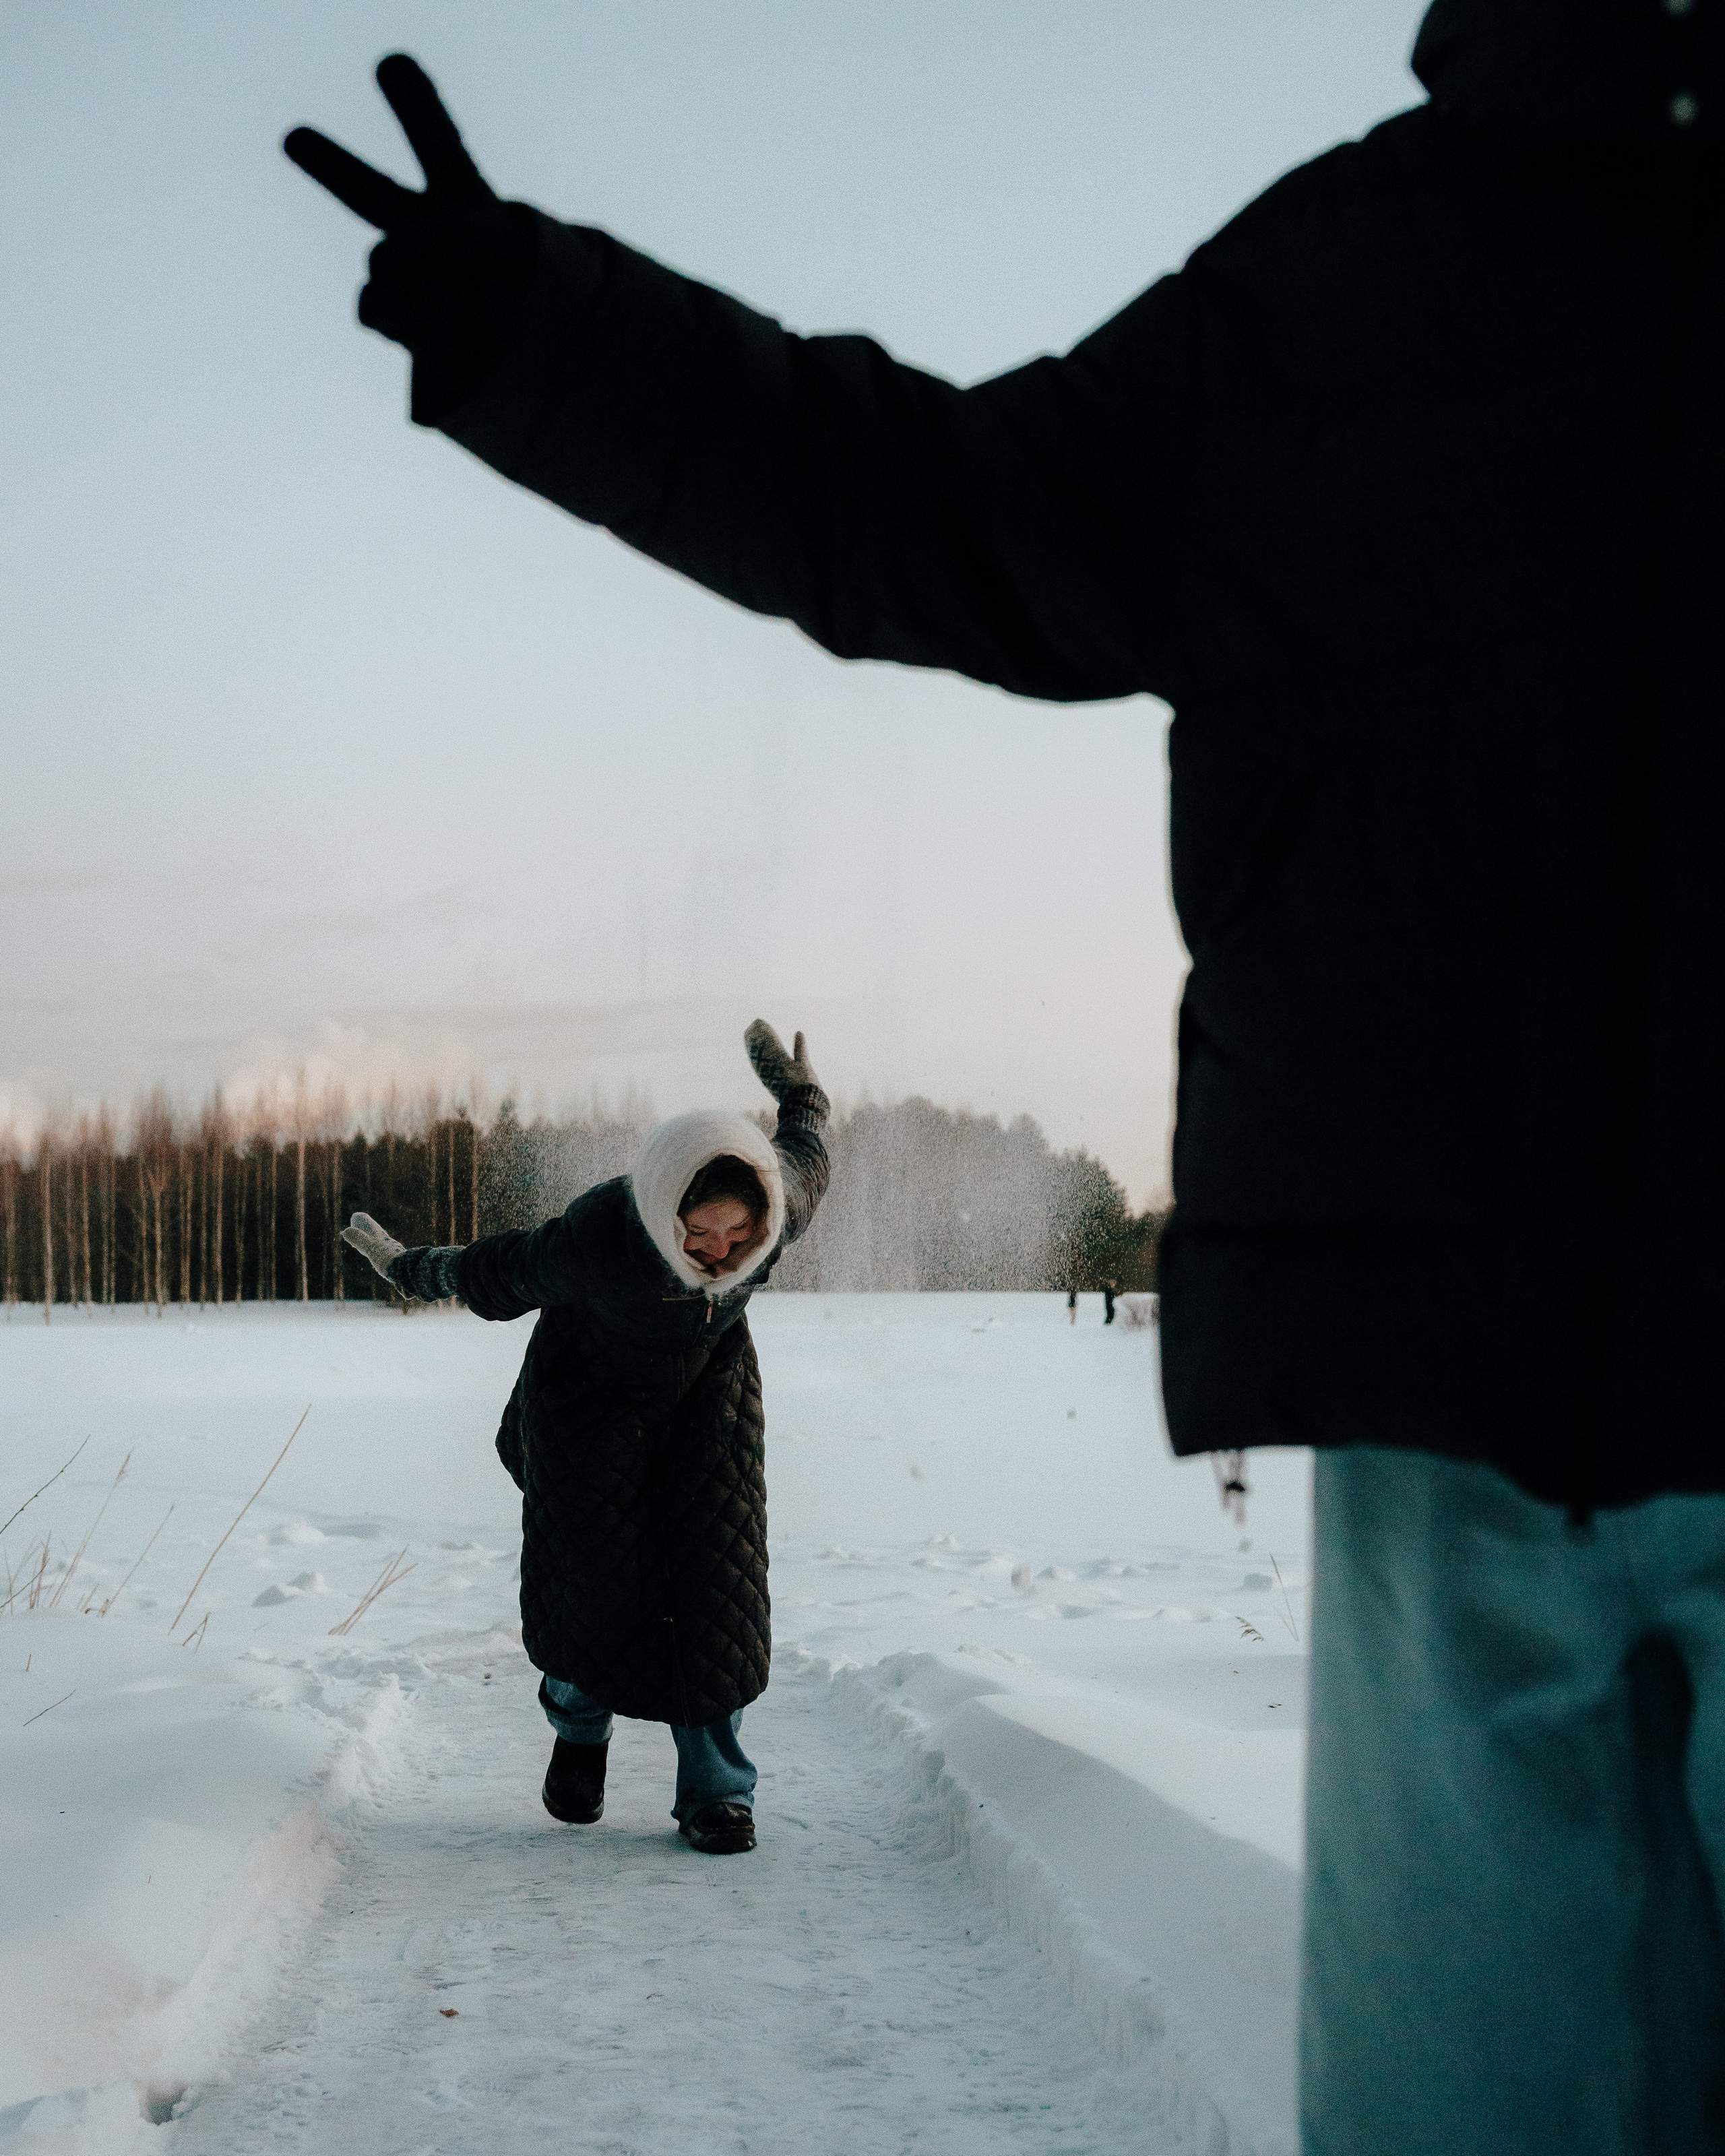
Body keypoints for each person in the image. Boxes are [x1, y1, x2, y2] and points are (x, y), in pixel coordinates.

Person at [287, 11, 1725, 2144]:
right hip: (1455, 1412)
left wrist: (794, 1117)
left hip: (1435, 1361)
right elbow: (939, 503)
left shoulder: (1354, 270)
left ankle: (695, 1754)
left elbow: (794, 1155)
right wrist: (549, 329)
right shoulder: (1362, 280)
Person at [342, 1020, 829, 1857]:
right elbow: (493, 1271)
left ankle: (717, 1791)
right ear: (663, 1208)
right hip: (589, 1415)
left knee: (715, 1595)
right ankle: (578, 1735)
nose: (720, 1251)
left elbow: (809, 1152)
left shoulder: (774, 1215)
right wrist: (405, 1266)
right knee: (588, 1587)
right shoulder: (601, 1236)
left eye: (737, 1233)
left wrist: (801, 1093)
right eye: (699, 1232)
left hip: (705, 1413)